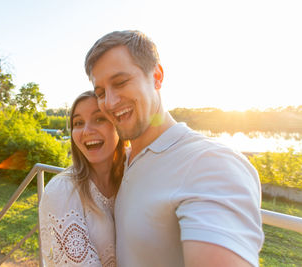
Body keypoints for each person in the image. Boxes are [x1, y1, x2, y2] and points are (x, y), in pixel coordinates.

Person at [85, 30, 264, 267]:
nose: (109, 102)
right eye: (100, 93)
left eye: (120, 82)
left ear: (157, 76)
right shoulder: (126, 160)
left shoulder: (210, 163)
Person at [39, 90, 125, 267]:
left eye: (99, 118)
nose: (86, 131)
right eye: (78, 123)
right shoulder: (63, 191)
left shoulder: (133, 175)